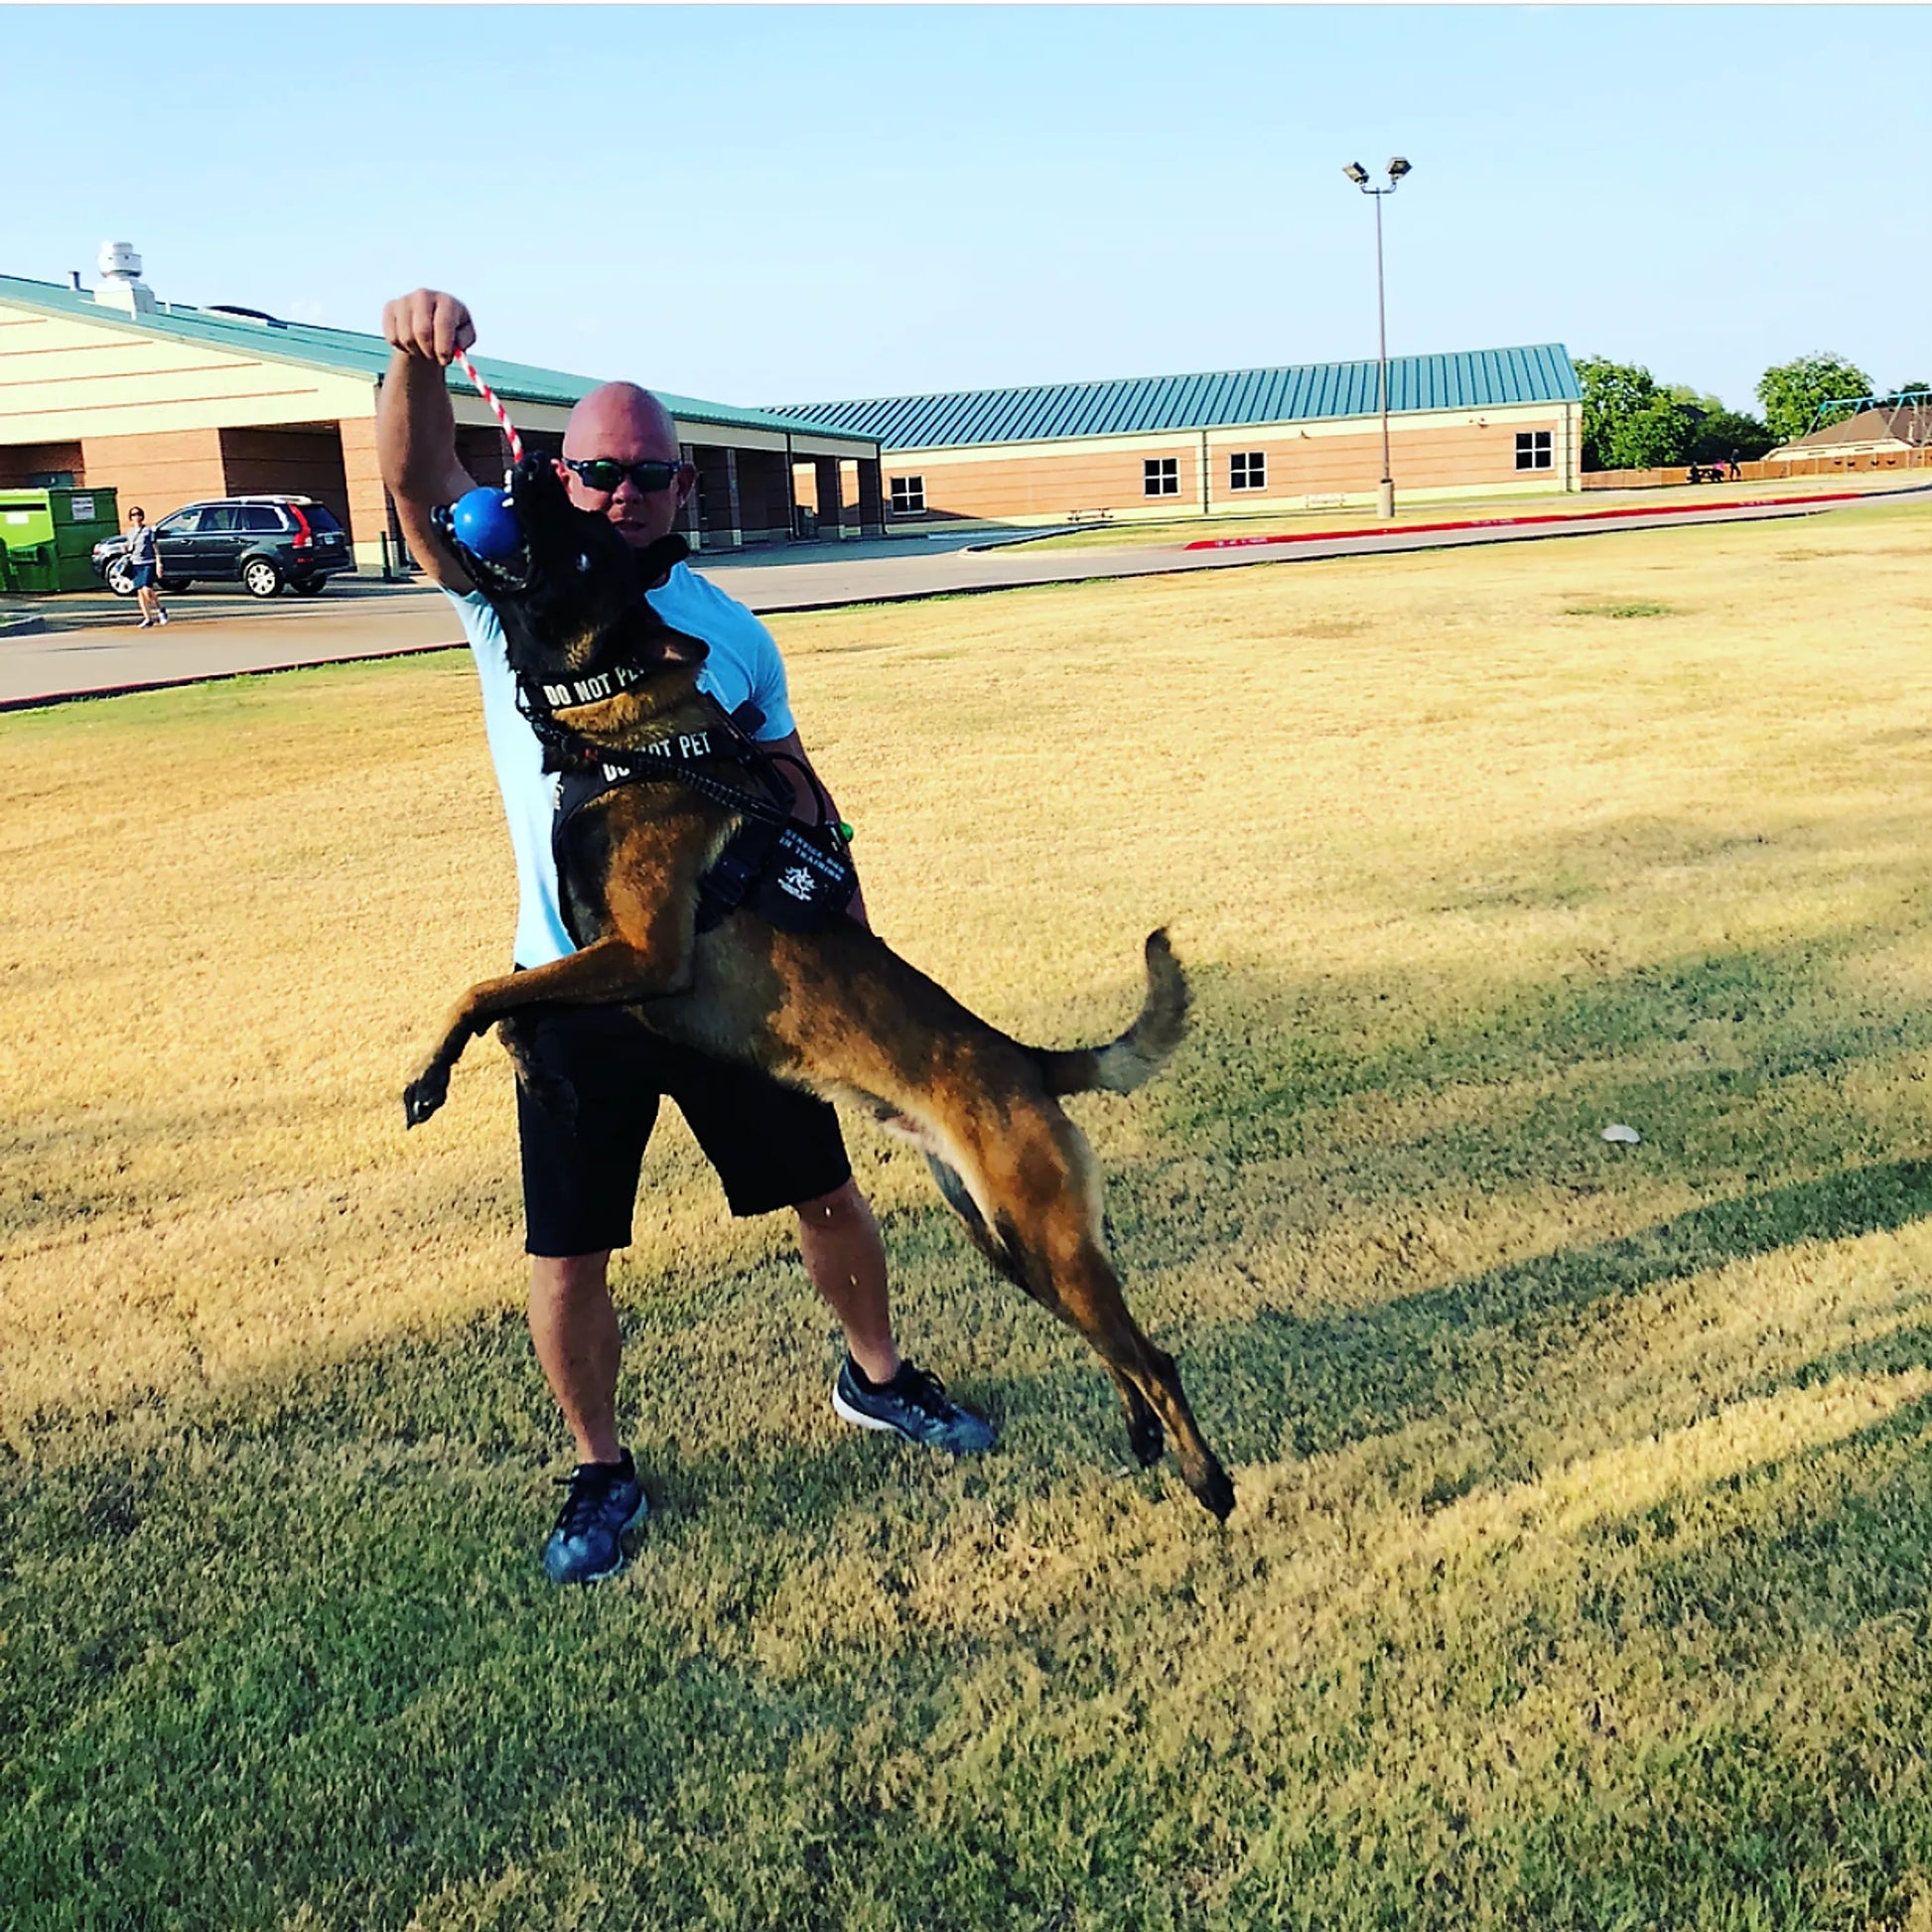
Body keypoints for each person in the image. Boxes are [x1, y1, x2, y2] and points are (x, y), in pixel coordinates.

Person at [375, 289, 995, 1585]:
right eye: (601, 470)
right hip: (577, 990)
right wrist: (409, 358)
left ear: (679, 484)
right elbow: (417, 488)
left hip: (728, 981)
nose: (626, 492)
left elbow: (801, 804)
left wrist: (869, 995)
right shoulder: (509, 599)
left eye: (650, 474)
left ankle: (875, 1376)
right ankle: (600, 1465)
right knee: (569, 1250)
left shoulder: (729, 629)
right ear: (563, 473)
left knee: (825, 1193)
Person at [123, 507, 169, 629]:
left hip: (148, 562)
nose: (136, 517)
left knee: (146, 589)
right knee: (140, 592)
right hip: (135, 563)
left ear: (142, 516)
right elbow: (130, 547)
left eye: (138, 514)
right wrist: (126, 549)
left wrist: (159, 564)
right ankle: (148, 618)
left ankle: (160, 609)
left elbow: (155, 548)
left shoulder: (148, 531)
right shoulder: (130, 532)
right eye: (133, 515)